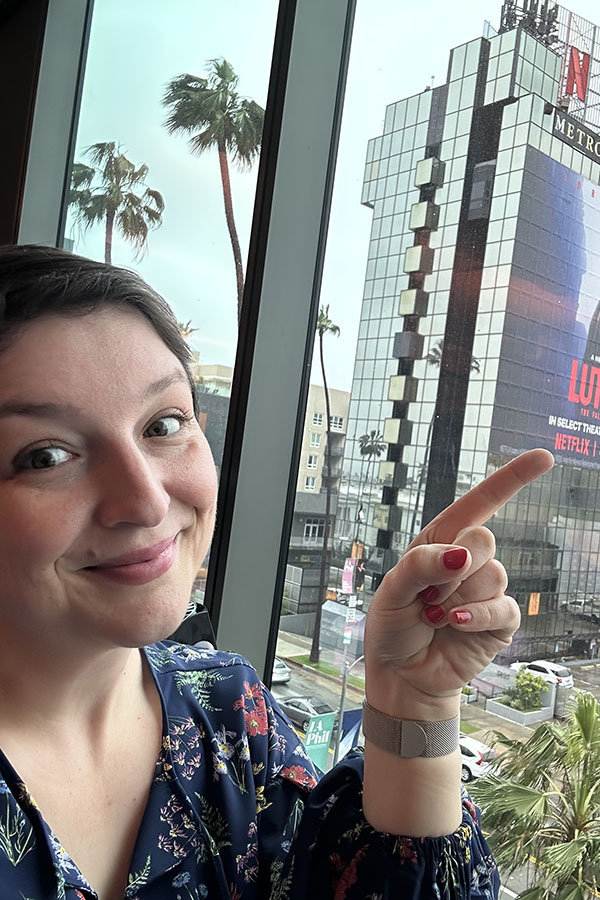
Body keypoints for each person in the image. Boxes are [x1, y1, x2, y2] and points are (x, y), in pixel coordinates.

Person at [0, 244, 554, 900]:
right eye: (46, 456)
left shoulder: (229, 714)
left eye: (164, 424)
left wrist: (415, 703)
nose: (147, 500)